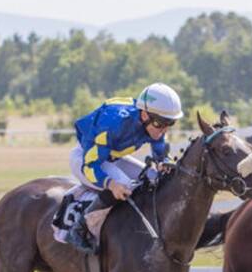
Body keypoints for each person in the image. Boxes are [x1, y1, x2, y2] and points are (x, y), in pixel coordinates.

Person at [66, 83, 182, 253]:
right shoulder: (114, 124)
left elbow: (159, 154)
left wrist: (164, 162)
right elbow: (91, 166)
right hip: (86, 159)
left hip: (114, 156)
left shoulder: (154, 124)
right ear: (144, 115)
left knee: (153, 176)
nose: (164, 130)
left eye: (170, 123)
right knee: (124, 185)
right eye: (161, 123)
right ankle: (79, 227)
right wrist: (111, 184)